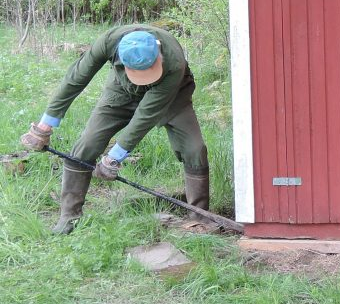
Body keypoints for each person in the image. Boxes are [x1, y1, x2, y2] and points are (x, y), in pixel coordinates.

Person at [20, 25, 209, 234]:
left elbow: (145, 116)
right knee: (87, 144)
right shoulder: (109, 42)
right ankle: (69, 217)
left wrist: (115, 157)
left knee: (195, 148)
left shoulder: (174, 62)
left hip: (172, 96)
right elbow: (76, 79)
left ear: (158, 53)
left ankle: (200, 218)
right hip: (122, 91)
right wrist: (44, 125)